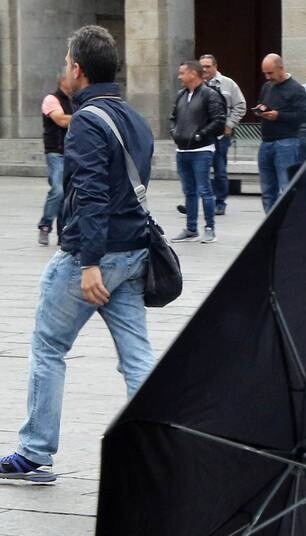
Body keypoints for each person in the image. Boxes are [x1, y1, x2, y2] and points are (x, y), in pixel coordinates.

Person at [0, 25, 156, 484]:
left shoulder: (87, 121)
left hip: (95, 256)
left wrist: (88, 264)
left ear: (77, 70)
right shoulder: (135, 118)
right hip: (134, 254)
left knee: (48, 347)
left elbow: (90, 195)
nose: (63, 69)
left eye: (66, 61)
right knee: (138, 358)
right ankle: (160, 446)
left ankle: (34, 452)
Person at [169, 60, 225, 243]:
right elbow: (173, 117)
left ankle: (210, 228)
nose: (179, 76)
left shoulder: (210, 94)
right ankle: (191, 229)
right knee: (189, 192)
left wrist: (201, 135)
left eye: (182, 73)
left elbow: (218, 120)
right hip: (182, 150)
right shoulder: (181, 95)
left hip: (202, 150)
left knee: (204, 190)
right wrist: (174, 132)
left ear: (193, 74)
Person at [255, 53, 306, 214]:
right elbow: (262, 104)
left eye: (270, 73)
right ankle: (269, 224)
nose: (267, 77)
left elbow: (303, 116)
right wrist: (261, 111)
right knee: (267, 190)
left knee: (285, 187)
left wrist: (279, 115)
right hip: (266, 142)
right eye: (265, 73)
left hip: (286, 142)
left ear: (281, 68)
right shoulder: (266, 87)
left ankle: (286, 223)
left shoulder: (296, 89)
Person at [199, 54, 246, 216]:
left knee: (219, 170)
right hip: (202, 135)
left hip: (221, 136)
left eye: (208, 66)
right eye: (202, 66)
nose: (204, 70)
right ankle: (199, 202)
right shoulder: (197, 84)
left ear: (215, 66)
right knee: (201, 170)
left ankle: (220, 202)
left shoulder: (228, 84)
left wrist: (229, 124)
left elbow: (240, 105)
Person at [37, 74, 73, 246]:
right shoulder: (51, 99)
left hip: (72, 153)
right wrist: (84, 117)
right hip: (56, 152)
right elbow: (60, 120)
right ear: (62, 81)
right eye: (70, 79)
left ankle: (63, 233)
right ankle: (45, 226)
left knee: (68, 195)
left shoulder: (75, 101)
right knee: (58, 190)